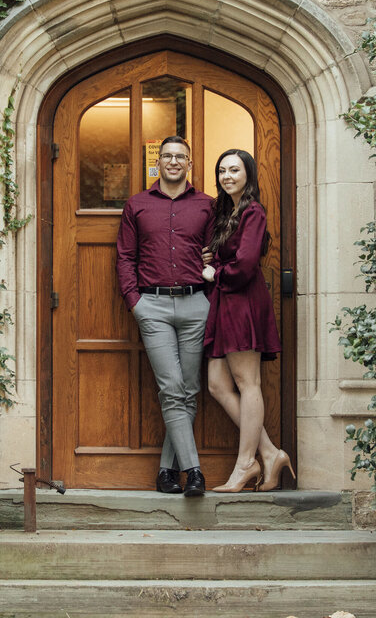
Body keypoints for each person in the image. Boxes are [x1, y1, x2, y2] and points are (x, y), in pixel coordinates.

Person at [116, 136, 214, 497]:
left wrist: (211, 291)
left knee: (189, 390)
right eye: (168, 156)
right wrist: (135, 301)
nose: (174, 162)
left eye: (181, 157)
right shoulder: (137, 205)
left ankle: (165, 473)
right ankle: (193, 471)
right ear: (158, 163)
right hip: (152, 306)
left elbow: (219, 252)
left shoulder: (207, 205)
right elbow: (125, 257)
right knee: (172, 389)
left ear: (190, 163)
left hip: (195, 304)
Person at [201, 149, 295, 492]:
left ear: (248, 174)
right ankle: (269, 453)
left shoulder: (253, 211)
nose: (227, 176)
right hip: (225, 302)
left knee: (247, 382)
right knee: (217, 384)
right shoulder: (225, 211)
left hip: (242, 301)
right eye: (222, 170)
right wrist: (211, 257)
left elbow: (245, 264)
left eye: (234, 170)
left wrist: (215, 270)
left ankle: (245, 464)